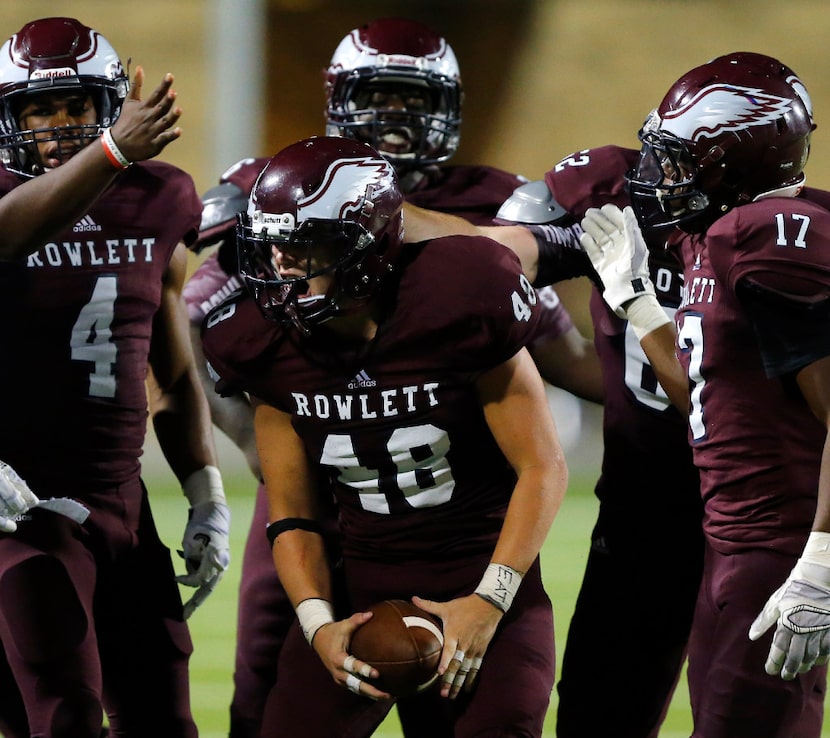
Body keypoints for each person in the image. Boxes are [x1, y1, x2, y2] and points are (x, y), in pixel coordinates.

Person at [184, 17, 601, 738]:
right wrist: (316, 618)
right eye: (378, 95)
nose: (396, 118)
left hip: (467, 536)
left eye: (414, 99)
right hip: (343, 519)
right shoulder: (274, 232)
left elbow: (551, 422)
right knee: (262, 679)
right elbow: (197, 337)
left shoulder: (474, 271)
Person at [580, 55, 830, 737]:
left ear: (739, 160)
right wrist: (637, 301)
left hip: (780, 549)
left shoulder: (771, 238)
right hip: (726, 538)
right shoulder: (711, 237)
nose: (661, 178)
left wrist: (821, 561)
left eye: (681, 160)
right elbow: (710, 395)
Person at [0, 17, 230, 738]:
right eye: (39, 108)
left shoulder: (160, 195)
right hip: (18, 502)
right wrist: (107, 153)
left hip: (121, 500)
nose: (58, 124)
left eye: (76, 106)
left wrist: (203, 487)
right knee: (60, 714)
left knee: (163, 717)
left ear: (111, 102)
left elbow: (170, 358)